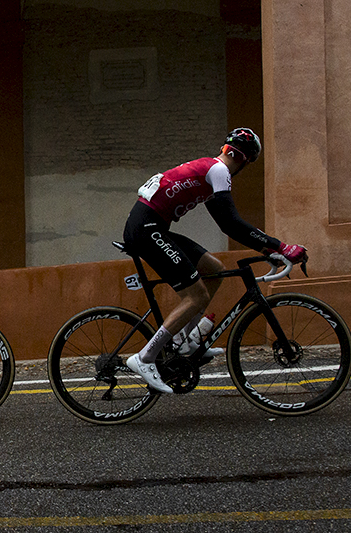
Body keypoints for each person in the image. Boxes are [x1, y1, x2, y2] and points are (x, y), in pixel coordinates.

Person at [123, 128, 307, 393]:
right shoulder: (219, 171)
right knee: (195, 296)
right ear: (243, 159)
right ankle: (145, 357)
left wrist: (267, 249)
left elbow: (226, 224)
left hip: (152, 226)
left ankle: (184, 342)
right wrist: (279, 245)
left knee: (214, 270)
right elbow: (232, 223)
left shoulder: (209, 171)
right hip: (146, 229)